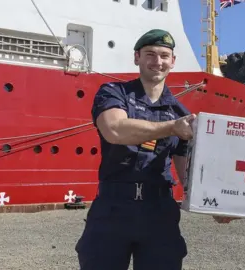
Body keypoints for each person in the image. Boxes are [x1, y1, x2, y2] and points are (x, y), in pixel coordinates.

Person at [75, 29, 196, 270]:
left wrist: (216, 205)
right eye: (150, 54)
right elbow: (115, 130)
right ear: (136, 57)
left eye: (164, 55)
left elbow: (187, 174)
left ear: (173, 62)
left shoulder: (181, 113)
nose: (157, 62)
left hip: (159, 211)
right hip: (112, 207)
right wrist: (171, 128)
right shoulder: (113, 93)